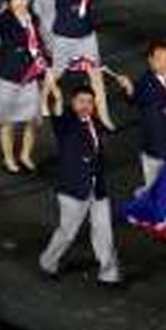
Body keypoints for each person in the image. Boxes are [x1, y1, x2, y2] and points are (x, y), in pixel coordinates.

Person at [42, 0, 134, 130]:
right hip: (66, 35)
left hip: (86, 34)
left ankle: (104, 117)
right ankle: (41, 100)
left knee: (96, 75)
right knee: (57, 73)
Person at [38, 84, 122, 285]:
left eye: (90, 102)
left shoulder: (95, 122)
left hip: (97, 188)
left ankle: (109, 274)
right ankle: (47, 262)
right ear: (73, 102)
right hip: (73, 189)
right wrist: (55, 96)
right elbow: (56, 113)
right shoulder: (65, 122)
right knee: (68, 233)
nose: (86, 105)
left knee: (104, 232)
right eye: (81, 101)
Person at [0, 0, 47, 173]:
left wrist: (45, 63)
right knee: (7, 122)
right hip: (9, 77)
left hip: (30, 76)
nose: (21, 2)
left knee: (32, 120)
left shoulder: (33, 18)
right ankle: (8, 158)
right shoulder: (5, 19)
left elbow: (38, 45)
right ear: (9, 2)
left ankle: (25, 155)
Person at [113, 42, 166, 190]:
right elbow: (136, 97)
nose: (163, 63)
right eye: (158, 59)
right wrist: (129, 89)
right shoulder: (145, 83)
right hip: (154, 146)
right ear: (150, 61)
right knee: (154, 184)